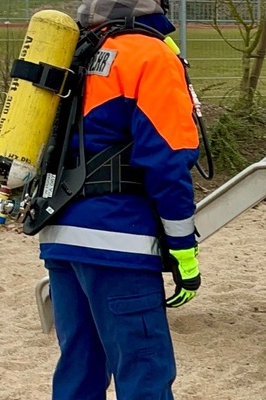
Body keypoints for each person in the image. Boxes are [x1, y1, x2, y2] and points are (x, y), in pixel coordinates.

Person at [37, 1, 201, 398]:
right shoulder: (149, 53)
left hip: (59, 232)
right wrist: (184, 251)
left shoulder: (79, 48)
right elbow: (166, 161)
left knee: (80, 368)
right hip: (118, 240)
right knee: (144, 368)